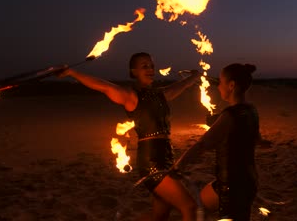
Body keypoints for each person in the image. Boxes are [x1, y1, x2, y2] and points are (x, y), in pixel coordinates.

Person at [58, 52, 200, 221]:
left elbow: (182, 85)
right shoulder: (131, 96)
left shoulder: (161, 94)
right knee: (189, 207)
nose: (150, 69)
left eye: (151, 65)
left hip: (168, 158)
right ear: (134, 72)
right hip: (152, 162)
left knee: (160, 215)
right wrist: (72, 73)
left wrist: (195, 76)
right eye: (144, 66)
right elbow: (103, 86)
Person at [172, 63, 260, 221]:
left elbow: (202, 145)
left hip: (231, 186)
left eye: (220, 82)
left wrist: (179, 165)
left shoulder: (229, 115)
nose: (218, 87)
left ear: (231, 85)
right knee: (200, 205)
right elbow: (257, 139)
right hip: (248, 179)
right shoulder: (251, 110)